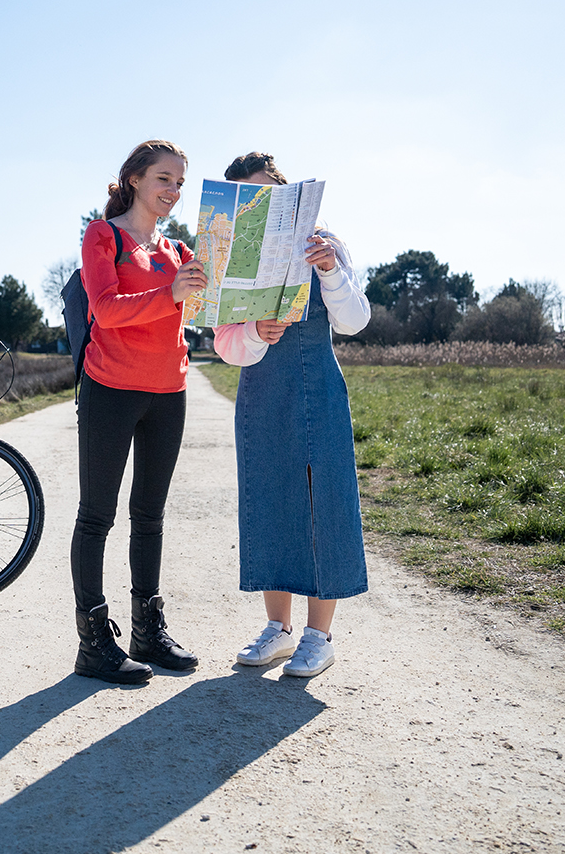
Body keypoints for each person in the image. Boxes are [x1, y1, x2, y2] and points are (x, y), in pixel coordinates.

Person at [213, 151, 371, 677]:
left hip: (319, 385)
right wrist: (255, 333)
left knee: (322, 502)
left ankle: (318, 636)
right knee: (269, 500)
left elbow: (354, 321)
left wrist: (328, 270)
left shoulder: (327, 243)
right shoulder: (228, 254)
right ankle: (278, 630)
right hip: (261, 391)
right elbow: (225, 347)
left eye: (267, 196)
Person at [72, 139, 209, 684]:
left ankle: (147, 633)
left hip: (168, 392)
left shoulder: (178, 251)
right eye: (163, 179)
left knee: (150, 517)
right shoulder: (103, 235)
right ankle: (93, 643)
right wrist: (171, 292)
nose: (173, 190)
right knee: (97, 517)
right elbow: (104, 311)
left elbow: (206, 307)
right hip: (110, 389)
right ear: (134, 180)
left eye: (179, 181)